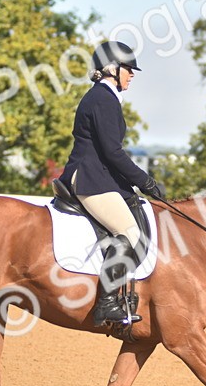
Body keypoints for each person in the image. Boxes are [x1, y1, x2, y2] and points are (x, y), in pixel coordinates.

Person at [56, 40, 165, 327]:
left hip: (100, 176)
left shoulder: (103, 97)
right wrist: (145, 181)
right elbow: (112, 152)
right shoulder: (103, 99)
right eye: (128, 69)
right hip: (90, 179)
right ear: (112, 69)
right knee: (129, 235)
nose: (132, 75)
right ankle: (105, 304)